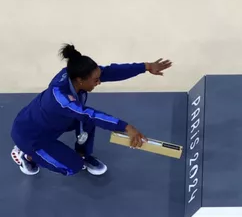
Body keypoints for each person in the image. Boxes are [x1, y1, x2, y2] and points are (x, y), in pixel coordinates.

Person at [10, 43, 172, 177]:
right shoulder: (61, 99)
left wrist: (146, 66)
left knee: (85, 126)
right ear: (80, 80)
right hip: (32, 136)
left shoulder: (75, 73)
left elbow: (110, 71)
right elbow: (90, 115)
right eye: (95, 80)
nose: (98, 82)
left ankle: (83, 155)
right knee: (72, 168)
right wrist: (127, 127)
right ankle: (27, 155)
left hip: (54, 123)